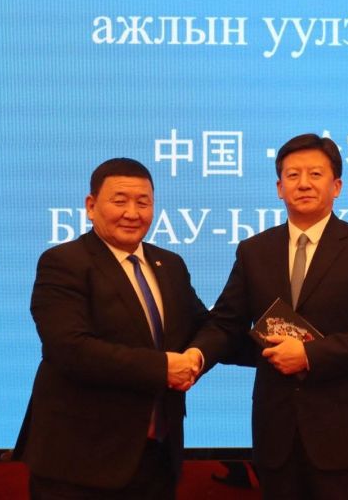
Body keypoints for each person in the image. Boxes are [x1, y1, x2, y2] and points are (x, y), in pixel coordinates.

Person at [189, 134, 348, 500]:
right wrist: (196, 356)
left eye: (315, 174)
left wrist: (308, 355)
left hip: (344, 437)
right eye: (293, 175)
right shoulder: (254, 251)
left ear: (336, 186)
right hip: (277, 437)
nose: (303, 183)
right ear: (279, 188)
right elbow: (226, 324)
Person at [13, 158, 207, 500]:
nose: (132, 213)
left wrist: (286, 345)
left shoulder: (169, 264)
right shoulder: (64, 262)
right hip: (80, 462)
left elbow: (204, 327)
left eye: (143, 202)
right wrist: (163, 367)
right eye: (120, 201)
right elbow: (69, 348)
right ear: (91, 206)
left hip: (156, 458)